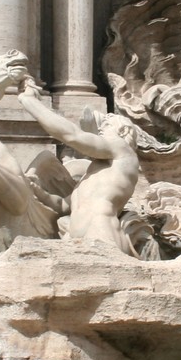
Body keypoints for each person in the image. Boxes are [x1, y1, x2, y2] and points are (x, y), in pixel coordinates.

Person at [17, 81, 143, 256]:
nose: (98, 134)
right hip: (72, 238)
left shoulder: (122, 151)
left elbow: (73, 136)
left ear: (121, 131)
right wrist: (36, 190)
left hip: (101, 233)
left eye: (104, 128)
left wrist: (30, 102)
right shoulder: (93, 173)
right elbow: (62, 206)